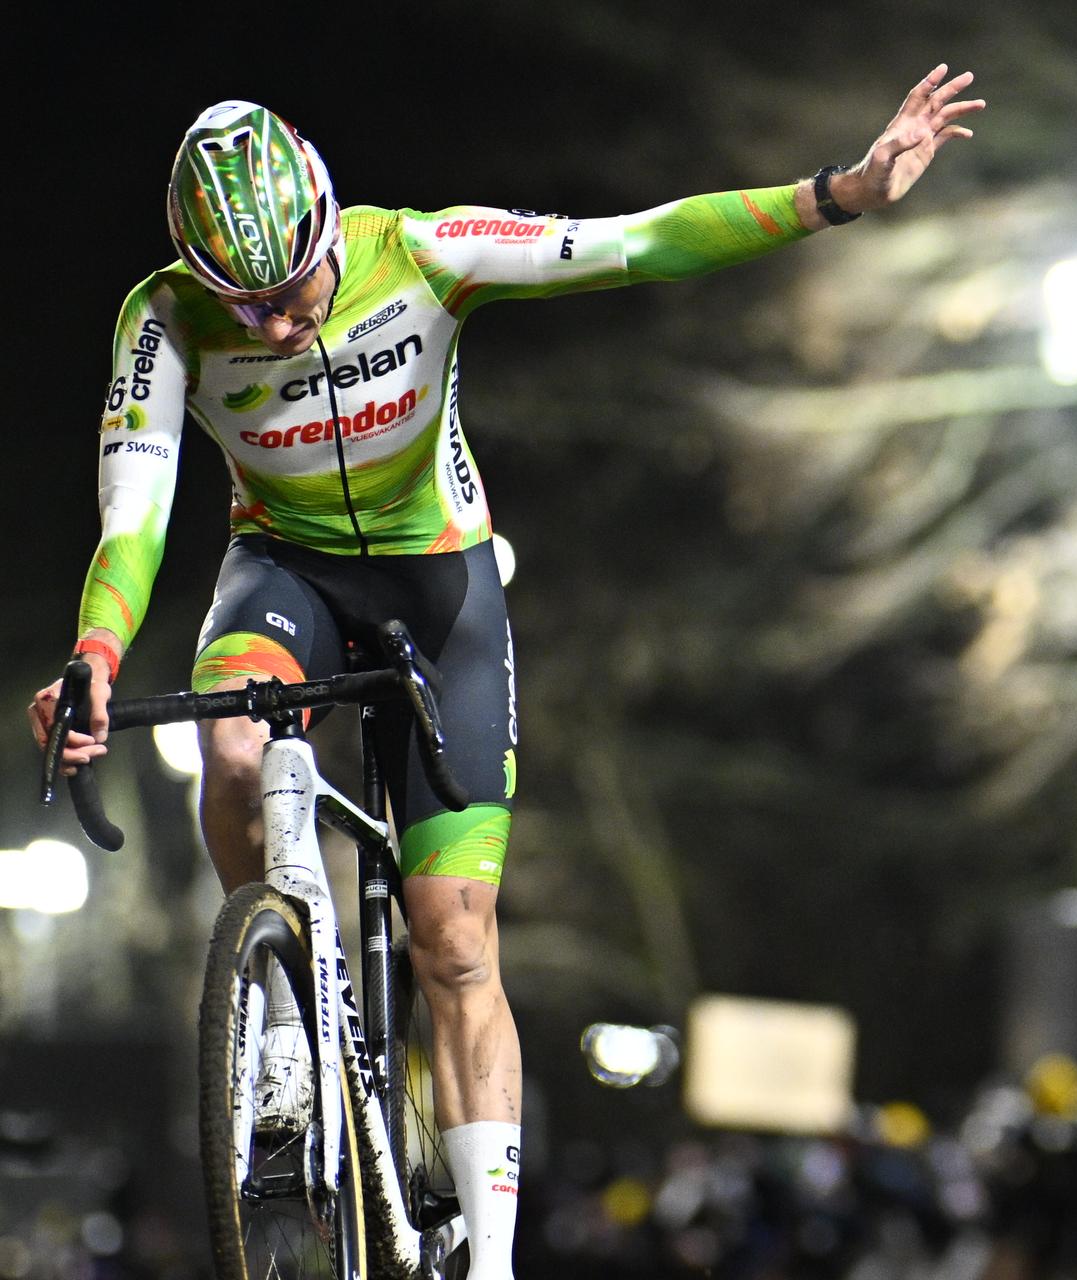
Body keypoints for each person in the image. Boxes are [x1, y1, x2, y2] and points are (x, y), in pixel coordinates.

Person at [28, 68, 983, 1280]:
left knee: (459, 942)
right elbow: (136, 517)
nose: (274, 327)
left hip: (442, 589)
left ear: (331, 222)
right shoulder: (162, 318)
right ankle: (277, 1020)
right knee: (228, 741)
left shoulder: (423, 254)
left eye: (292, 291)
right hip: (285, 575)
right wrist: (97, 657)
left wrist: (834, 195)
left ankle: (489, 1261)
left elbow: (637, 244)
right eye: (243, 305)